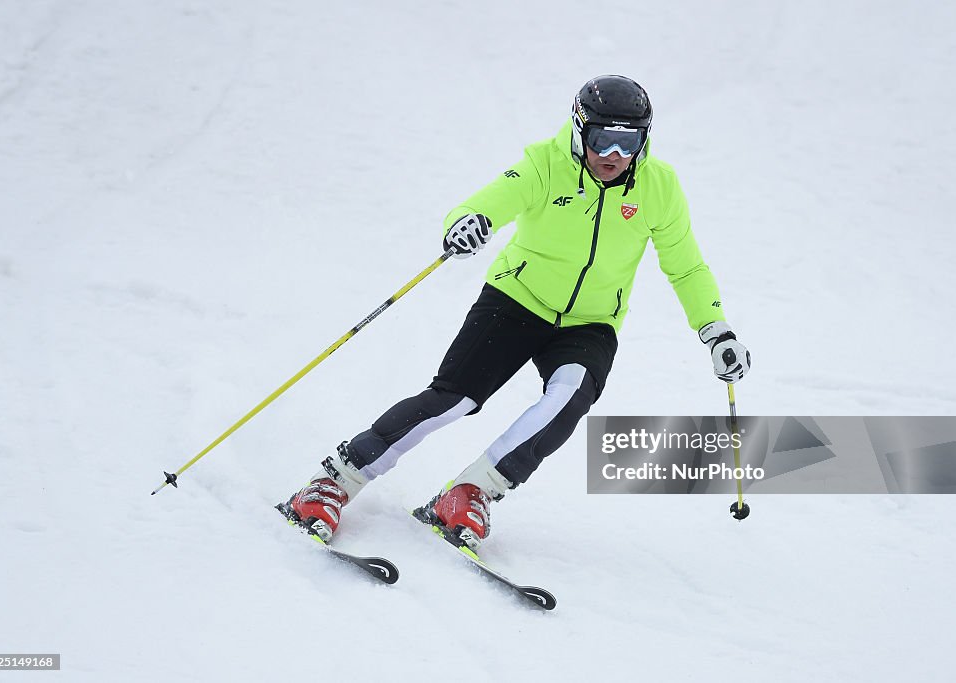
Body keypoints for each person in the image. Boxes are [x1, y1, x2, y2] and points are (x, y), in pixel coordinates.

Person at [281, 75, 751, 549]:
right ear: (579, 129)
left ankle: (471, 492)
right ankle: (334, 481)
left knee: (569, 397)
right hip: (516, 300)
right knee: (454, 399)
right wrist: (469, 223)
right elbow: (490, 202)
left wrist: (716, 329)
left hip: (590, 322)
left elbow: (685, 266)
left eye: (628, 142)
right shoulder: (544, 164)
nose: (614, 154)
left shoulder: (660, 187)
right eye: (602, 138)